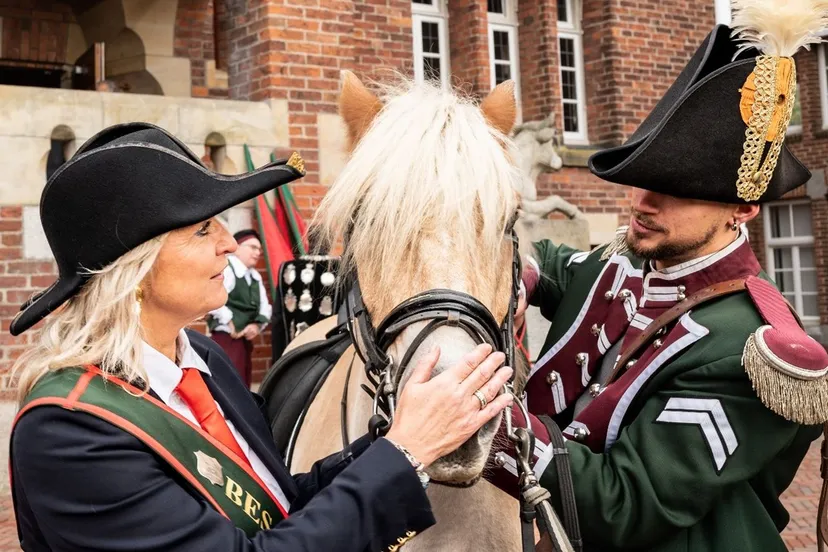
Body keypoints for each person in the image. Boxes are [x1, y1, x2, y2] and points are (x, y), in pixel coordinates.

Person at [8, 122, 514, 551]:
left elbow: (277, 503)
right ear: (134, 270)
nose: (229, 243)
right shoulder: (69, 431)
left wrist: (400, 435)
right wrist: (404, 453)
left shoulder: (201, 358)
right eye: (203, 229)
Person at [489, 9, 828, 552]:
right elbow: (546, 264)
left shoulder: (748, 350)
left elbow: (622, 504)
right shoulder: (627, 264)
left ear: (741, 209)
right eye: (642, 179)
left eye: (674, 190)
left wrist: (484, 419)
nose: (642, 203)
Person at [207, 228, 271, 386]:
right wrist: (230, 321)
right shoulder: (227, 270)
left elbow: (265, 307)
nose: (257, 253)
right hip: (226, 339)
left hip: (243, 341)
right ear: (238, 248)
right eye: (253, 247)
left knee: (242, 384)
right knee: (227, 385)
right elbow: (210, 298)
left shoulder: (254, 276)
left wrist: (256, 326)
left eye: (259, 249)